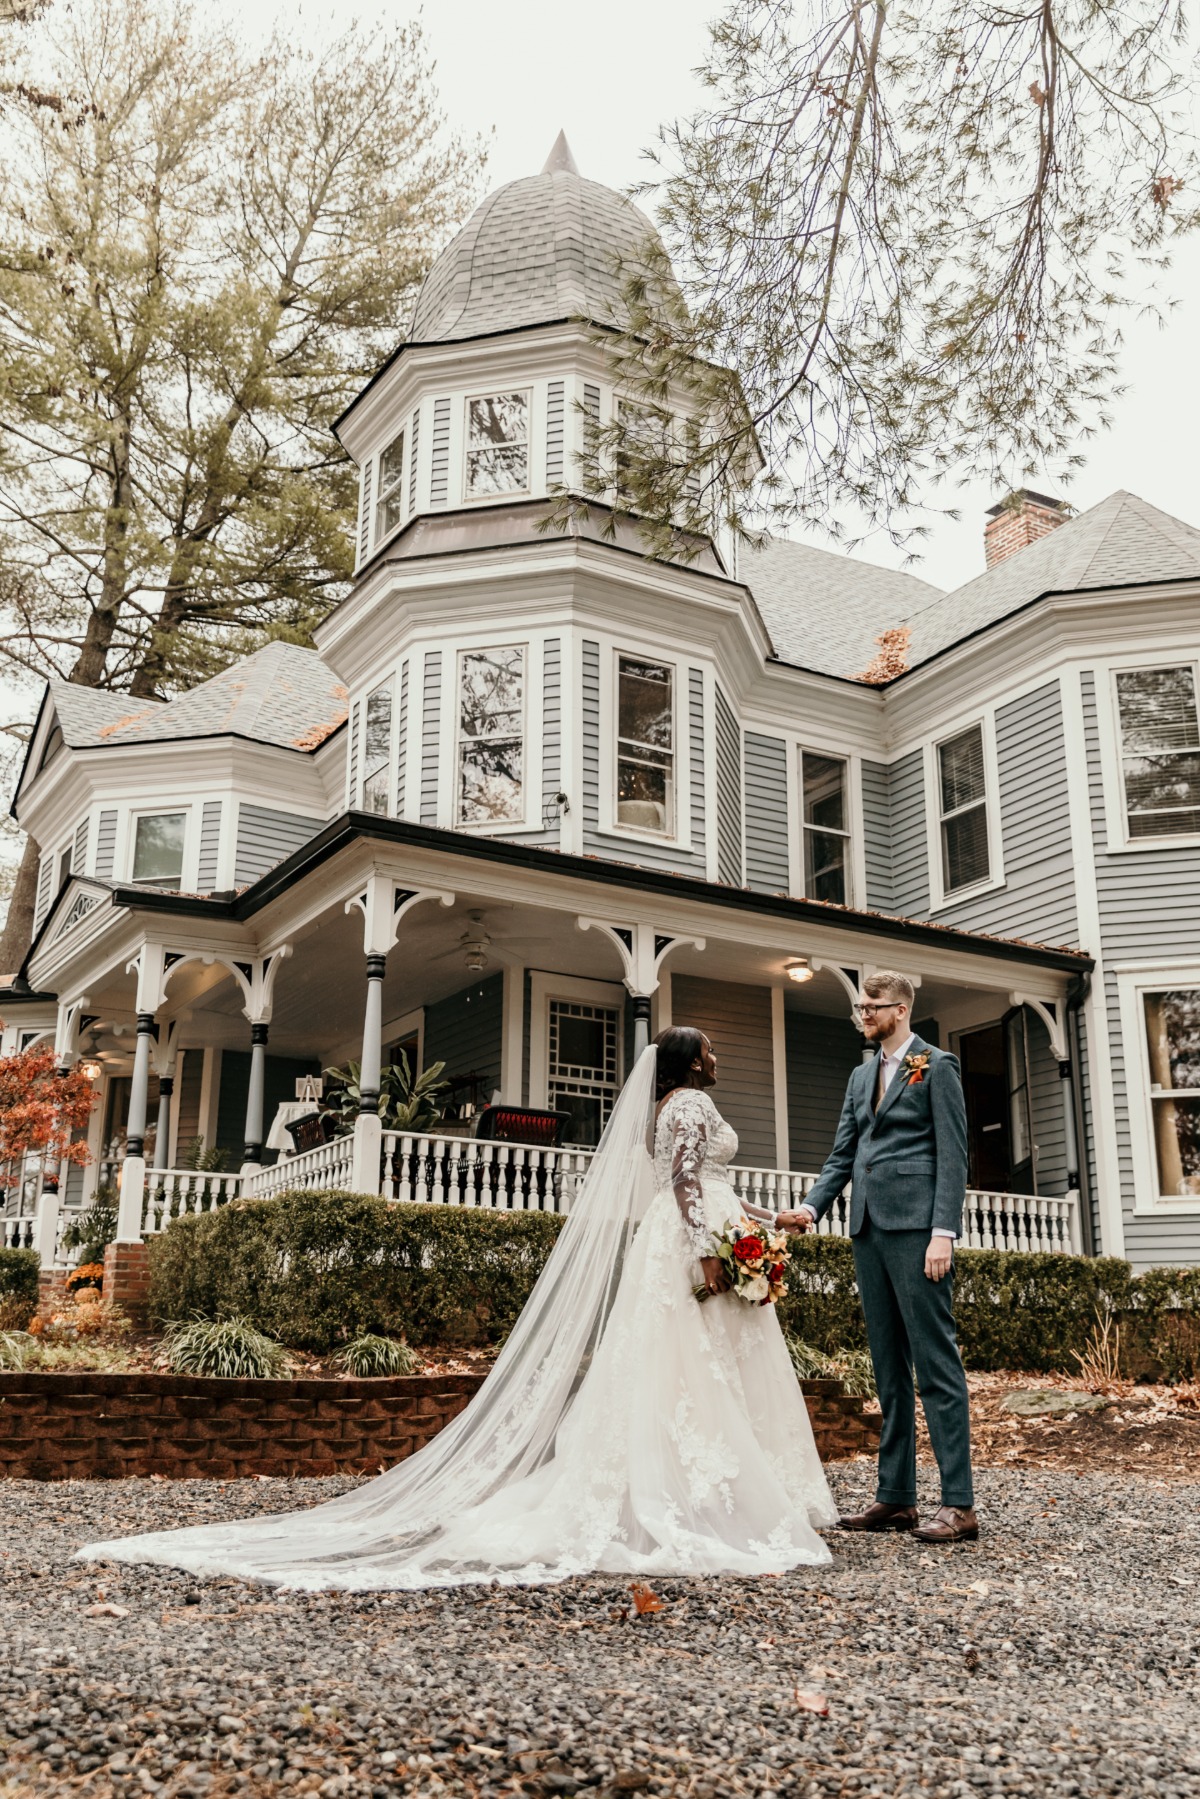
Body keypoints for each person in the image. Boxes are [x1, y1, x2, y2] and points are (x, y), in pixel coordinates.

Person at [78, 1029, 835, 1589]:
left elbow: (702, 1182)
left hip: (691, 1235)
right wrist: (709, 1246)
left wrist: (768, 1222)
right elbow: (686, 1184)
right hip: (690, 1242)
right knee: (693, 1370)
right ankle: (711, 1495)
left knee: (675, 1370)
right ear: (689, 1062)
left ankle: (693, 1484)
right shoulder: (694, 1102)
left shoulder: (665, 1104)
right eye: (706, 1047)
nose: (715, 1054)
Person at [777, 972, 977, 1544]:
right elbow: (844, 1154)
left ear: (902, 1009)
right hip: (866, 1228)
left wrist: (944, 1231)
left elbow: (953, 1155)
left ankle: (959, 1504)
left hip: (919, 1231)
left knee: (936, 1365)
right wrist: (812, 1209)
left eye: (872, 1006)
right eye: (858, 1006)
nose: (863, 1013)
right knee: (887, 1366)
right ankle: (897, 1497)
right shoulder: (861, 1074)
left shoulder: (937, 1066)